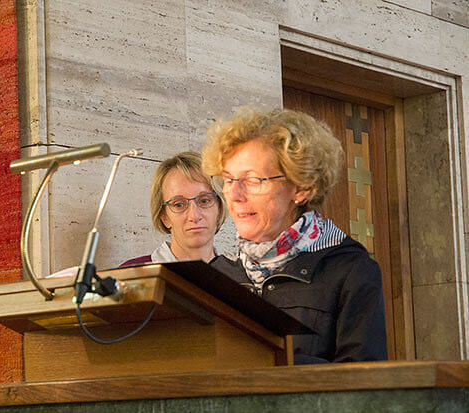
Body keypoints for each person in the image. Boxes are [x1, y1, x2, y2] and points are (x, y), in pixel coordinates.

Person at [201, 107, 387, 364]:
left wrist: (273, 365)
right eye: (229, 180)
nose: (234, 195)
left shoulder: (350, 270)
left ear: (301, 188)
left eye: (252, 181)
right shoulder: (217, 273)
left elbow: (364, 381)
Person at [121, 152, 226, 266]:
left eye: (204, 201)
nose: (194, 216)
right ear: (164, 217)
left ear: (220, 208)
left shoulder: (238, 274)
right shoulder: (131, 273)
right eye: (179, 205)